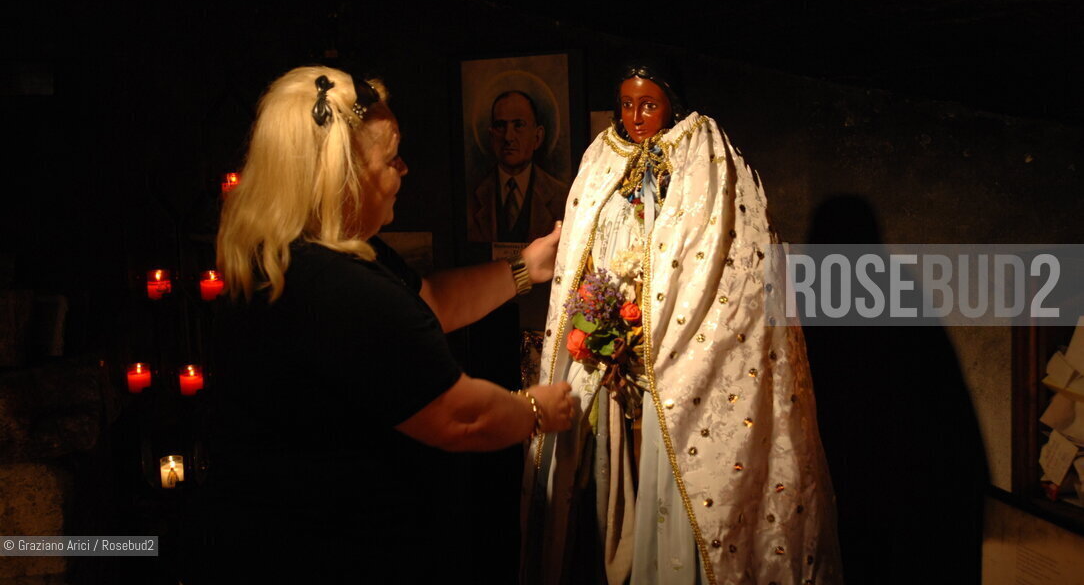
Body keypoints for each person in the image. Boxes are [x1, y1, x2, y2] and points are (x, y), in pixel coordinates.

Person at [198, 66, 575, 582]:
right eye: (389, 156)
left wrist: (524, 269)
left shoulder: (296, 253)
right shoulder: (339, 288)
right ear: (341, 175)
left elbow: (432, 302)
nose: (404, 168)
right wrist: (538, 408)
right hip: (335, 557)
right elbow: (460, 419)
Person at [521, 63, 841, 585]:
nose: (636, 117)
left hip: (677, 354)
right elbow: (590, 248)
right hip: (613, 351)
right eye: (626, 104)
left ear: (672, 103)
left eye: (648, 104)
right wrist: (602, 323)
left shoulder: (708, 159)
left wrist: (662, 329)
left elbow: (730, 264)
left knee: (678, 477)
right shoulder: (603, 159)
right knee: (612, 482)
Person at [469, 90, 569, 242]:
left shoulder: (561, 196)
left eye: (519, 125)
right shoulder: (473, 196)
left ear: (537, 137)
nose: (508, 137)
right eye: (501, 126)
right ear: (491, 136)